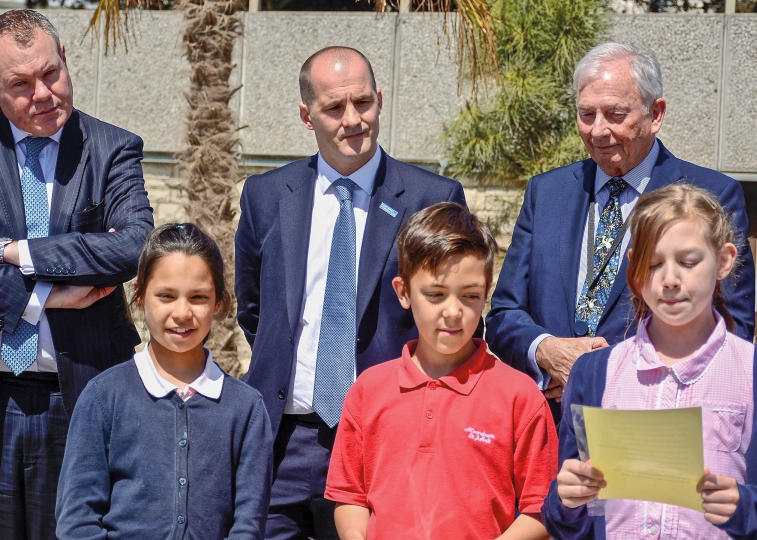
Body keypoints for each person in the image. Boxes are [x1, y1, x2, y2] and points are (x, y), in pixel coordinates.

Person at [0, 10, 153, 538]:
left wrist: (10, 251)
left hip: (79, 398)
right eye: (20, 84)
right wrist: (39, 301)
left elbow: (134, 248)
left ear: (65, 59)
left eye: (50, 73)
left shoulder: (113, 148)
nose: (43, 93)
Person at [234, 46, 467, 539]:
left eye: (363, 102)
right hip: (284, 442)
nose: (353, 119)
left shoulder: (432, 198)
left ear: (379, 99)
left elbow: (457, 318)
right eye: (334, 108)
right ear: (306, 115)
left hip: (388, 439)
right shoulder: (265, 197)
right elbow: (255, 310)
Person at [485, 43, 755, 419]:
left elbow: (733, 325)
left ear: (655, 114)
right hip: (548, 422)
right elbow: (503, 314)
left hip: (651, 424)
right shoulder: (546, 193)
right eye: (586, 114)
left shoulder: (711, 195)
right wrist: (545, 350)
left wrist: (609, 375)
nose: (598, 130)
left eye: (615, 114)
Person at [325, 202, 557, 540]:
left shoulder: (520, 398)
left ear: (486, 295)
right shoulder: (368, 390)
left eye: (470, 296)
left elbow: (542, 508)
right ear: (403, 292)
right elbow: (348, 494)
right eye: (435, 294)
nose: (453, 312)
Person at [542, 184, 757, 540]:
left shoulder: (749, 372)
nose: (670, 279)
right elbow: (568, 523)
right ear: (634, 269)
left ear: (723, 261)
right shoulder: (594, 375)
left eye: (688, 262)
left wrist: (743, 507)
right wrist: (568, 499)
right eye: (654, 263)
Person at [56, 223, 273, 539]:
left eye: (198, 297)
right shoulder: (103, 397)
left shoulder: (246, 409)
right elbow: (77, 520)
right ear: (141, 297)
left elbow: (249, 525)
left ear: (217, 303)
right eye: (166, 296)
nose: (182, 312)